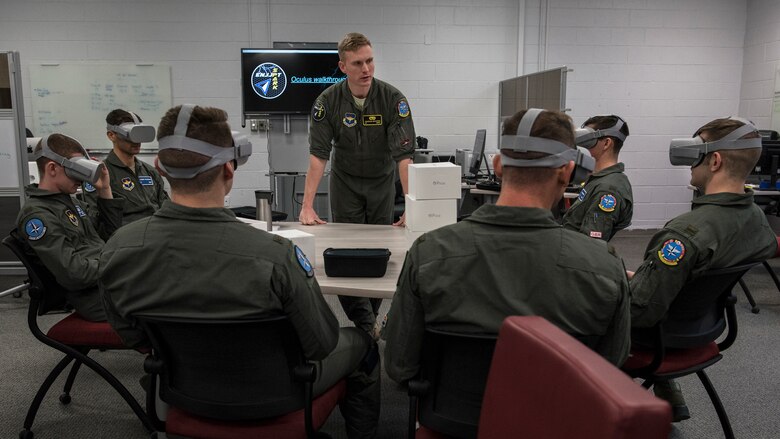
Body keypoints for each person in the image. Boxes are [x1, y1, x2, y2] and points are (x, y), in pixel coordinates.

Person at [99, 104, 380, 438]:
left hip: (185, 387)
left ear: (159, 168)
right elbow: (321, 343)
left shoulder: (118, 250)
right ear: (229, 172)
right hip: (277, 394)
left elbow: (133, 336)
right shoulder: (275, 256)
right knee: (363, 343)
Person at [384, 108, 631, 389]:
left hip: (454, 421)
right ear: (568, 172)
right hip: (556, 419)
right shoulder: (605, 269)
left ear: (499, 165)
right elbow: (612, 366)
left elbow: (399, 364)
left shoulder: (428, 253)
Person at [629, 117, 777, 422]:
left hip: (655, 337)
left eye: (696, 154)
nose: (690, 165)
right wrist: (648, 278)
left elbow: (641, 312)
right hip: (703, 328)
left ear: (715, 160)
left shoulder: (685, 232)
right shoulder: (758, 223)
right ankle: (670, 399)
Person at [301, 32, 417, 336]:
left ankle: (368, 321)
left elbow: (404, 157)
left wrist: (412, 205)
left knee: (380, 252)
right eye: (357, 63)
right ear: (343, 66)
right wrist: (307, 205)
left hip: (381, 183)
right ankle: (367, 325)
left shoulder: (393, 100)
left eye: (369, 61)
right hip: (345, 183)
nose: (366, 69)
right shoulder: (327, 102)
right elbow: (318, 155)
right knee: (346, 254)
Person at [17, 133, 123, 322]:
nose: (81, 179)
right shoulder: (37, 216)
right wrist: (120, 265)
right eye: (75, 171)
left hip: (113, 284)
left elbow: (111, 236)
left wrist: (104, 190)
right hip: (96, 298)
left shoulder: (72, 203)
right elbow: (74, 274)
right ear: (52, 168)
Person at [81, 109, 168, 225]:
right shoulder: (101, 175)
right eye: (130, 135)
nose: (137, 141)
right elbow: (94, 219)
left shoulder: (150, 172)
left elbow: (166, 208)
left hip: (156, 234)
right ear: (111, 135)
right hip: (124, 238)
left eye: (139, 135)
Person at [562, 115, 633, 241]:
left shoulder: (607, 190)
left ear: (606, 143)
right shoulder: (599, 179)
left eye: (588, 137)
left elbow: (590, 244)